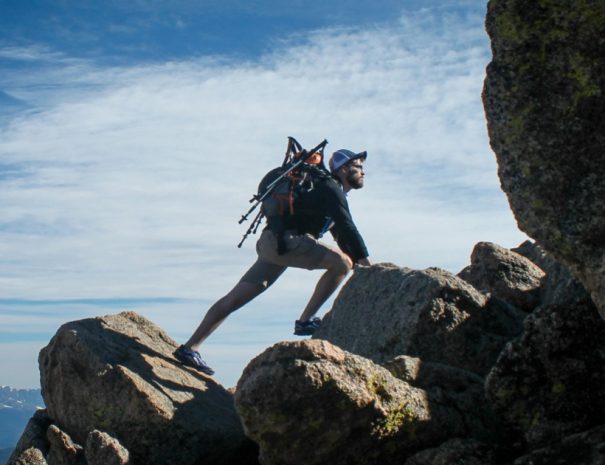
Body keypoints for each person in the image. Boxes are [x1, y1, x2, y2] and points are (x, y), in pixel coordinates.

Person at [174, 148, 371, 375]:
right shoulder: (330, 188)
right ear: (344, 169)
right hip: (285, 242)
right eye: (359, 167)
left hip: (273, 243)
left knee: (235, 298)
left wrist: (363, 265)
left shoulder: (327, 191)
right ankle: (305, 320)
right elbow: (348, 227)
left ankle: (190, 348)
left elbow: (343, 235)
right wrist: (368, 267)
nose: (363, 172)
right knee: (341, 263)